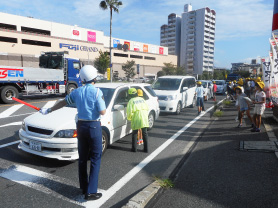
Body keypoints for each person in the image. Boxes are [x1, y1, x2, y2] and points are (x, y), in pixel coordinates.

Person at [39, 65, 106, 201]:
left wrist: (49, 110)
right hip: (94, 126)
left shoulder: (77, 92)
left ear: (82, 78)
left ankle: (83, 188)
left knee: (82, 159)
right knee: (95, 158)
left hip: (80, 126)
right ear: (94, 77)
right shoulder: (97, 92)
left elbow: (63, 102)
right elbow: (102, 111)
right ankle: (91, 192)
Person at [127, 88, 149, 153]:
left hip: (136, 118)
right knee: (145, 133)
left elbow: (129, 111)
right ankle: (146, 149)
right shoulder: (142, 99)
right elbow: (147, 108)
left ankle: (134, 149)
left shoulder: (131, 101)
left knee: (134, 133)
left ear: (130, 94)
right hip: (144, 118)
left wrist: (129, 118)